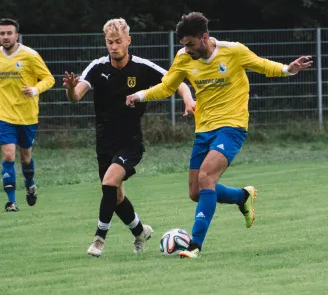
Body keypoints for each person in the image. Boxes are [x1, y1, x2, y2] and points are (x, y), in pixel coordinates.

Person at [125, 12, 313, 258]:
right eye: (183, 45)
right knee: (196, 192)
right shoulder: (183, 57)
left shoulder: (232, 51)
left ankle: (195, 246)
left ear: (205, 37)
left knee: (206, 177)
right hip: (204, 129)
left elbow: (263, 65)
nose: (187, 50)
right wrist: (139, 95)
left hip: (232, 126)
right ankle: (242, 196)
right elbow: (167, 86)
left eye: (190, 44)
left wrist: (288, 69)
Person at [63, 18, 195, 256]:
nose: (113, 47)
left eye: (117, 42)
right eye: (109, 42)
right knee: (116, 195)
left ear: (128, 41)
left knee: (109, 183)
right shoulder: (97, 67)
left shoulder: (142, 67)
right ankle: (140, 232)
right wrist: (71, 88)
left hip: (130, 140)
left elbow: (178, 83)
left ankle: (99, 240)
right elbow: (76, 96)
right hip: (104, 141)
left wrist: (188, 99)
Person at [1, 18, 55, 212]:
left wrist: (34, 89)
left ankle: (30, 184)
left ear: (16, 35)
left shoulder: (30, 55)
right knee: (8, 156)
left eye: (9, 33)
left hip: (27, 116)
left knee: (25, 158)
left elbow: (49, 79)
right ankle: (11, 201)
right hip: (4, 115)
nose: (5, 37)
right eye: (2, 34)